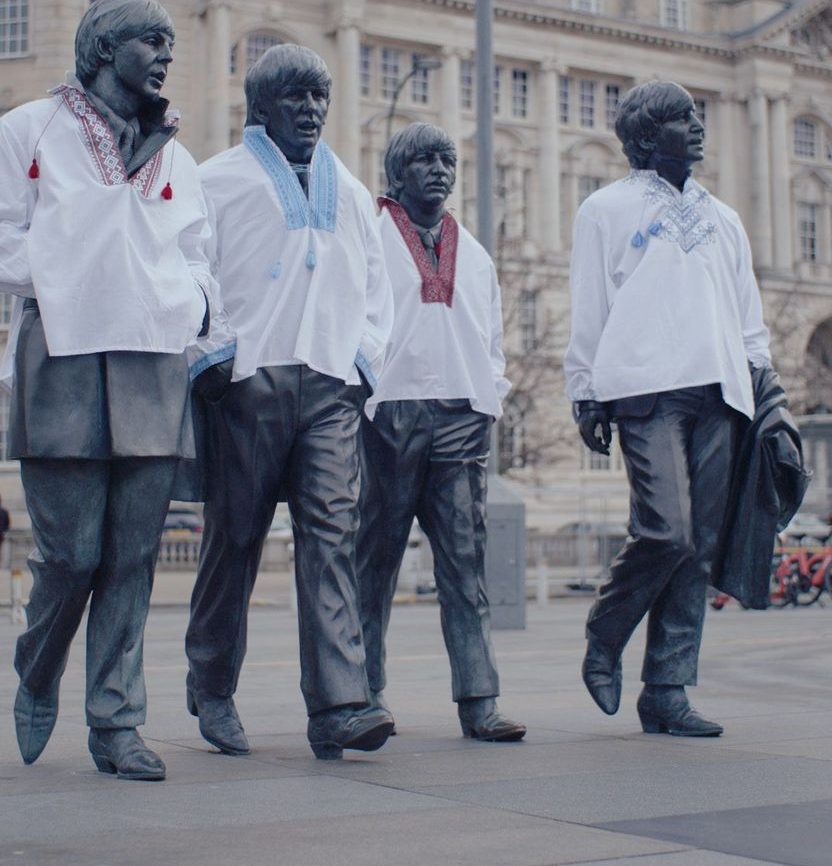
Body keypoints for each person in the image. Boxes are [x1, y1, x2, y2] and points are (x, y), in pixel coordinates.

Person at [1, 0, 213, 779]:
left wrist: (189, 302)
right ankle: (37, 664)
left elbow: (197, 252)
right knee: (71, 556)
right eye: (149, 41)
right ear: (101, 47)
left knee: (133, 557)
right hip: (62, 354)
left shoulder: (178, 156)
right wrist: (76, 275)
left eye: (169, 41)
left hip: (152, 362)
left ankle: (116, 722)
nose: (165, 55)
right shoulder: (27, 130)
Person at [185, 43, 395, 761]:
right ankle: (213, 685)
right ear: (260, 106)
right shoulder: (216, 180)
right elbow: (192, 269)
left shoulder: (354, 192)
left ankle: (338, 706)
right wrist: (215, 353)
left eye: (318, 96)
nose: (310, 109)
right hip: (250, 380)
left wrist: (362, 362)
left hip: (331, 385)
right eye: (295, 96)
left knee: (333, 538)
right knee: (235, 538)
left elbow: (377, 291)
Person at [564, 80, 772, 737]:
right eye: (684, 117)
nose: (698, 125)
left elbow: (747, 316)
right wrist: (585, 391)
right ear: (649, 135)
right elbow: (590, 305)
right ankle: (606, 630)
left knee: (699, 548)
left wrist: (766, 390)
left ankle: (667, 689)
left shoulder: (724, 218)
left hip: (720, 392)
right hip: (644, 390)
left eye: (697, 114)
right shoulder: (604, 209)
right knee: (666, 530)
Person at [356, 123, 525, 742]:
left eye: (447, 160)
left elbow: (492, 338)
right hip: (389, 415)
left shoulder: (474, 251)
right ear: (397, 172)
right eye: (424, 160)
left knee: (464, 565)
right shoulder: (370, 236)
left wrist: (489, 399)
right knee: (373, 563)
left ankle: (480, 700)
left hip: (459, 416)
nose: (439, 170)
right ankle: (363, 694)